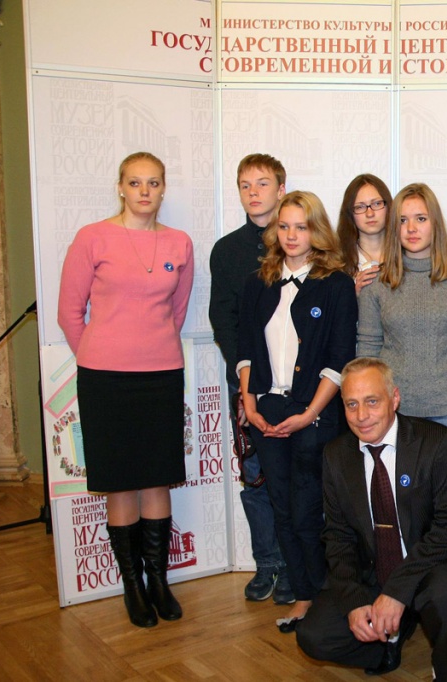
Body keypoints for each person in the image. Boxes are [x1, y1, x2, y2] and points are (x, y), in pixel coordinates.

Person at [57, 151, 194, 628]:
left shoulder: (179, 242)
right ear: (120, 187)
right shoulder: (92, 237)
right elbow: (69, 313)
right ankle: (132, 587)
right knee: (120, 482)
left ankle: (159, 582)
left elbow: (177, 311)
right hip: (106, 380)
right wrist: (101, 354)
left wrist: (150, 349)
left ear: (163, 189)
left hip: (161, 375)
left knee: (157, 478)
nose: (144, 191)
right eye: (135, 182)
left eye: (153, 183)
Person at [296, 357, 447, 682]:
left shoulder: (438, 442)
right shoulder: (336, 454)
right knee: (314, 636)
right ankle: (386, 644)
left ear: (394, 398)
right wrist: (355, 602)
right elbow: (338, 536)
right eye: (351, 404)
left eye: (372, 401)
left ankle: (445, 670)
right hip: (372, 571)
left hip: (430, 565)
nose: (361, 416)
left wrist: (397, 592)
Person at [236, 191, 357, 630]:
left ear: (316, 231)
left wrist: (308, 415)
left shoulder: (336, 284)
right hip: (267, 410)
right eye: (284, 226)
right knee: (283, 510)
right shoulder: (259, 282)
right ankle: (304, 596)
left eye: (301, 227)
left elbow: (340, 359)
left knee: (309, 513)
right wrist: (250, 404)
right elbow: (246, 349)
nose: (291, 235)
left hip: (315, 413)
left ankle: (326, 598)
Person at [357, 183, 447, 483]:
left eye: (421, 219)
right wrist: (369, 407)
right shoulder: (377, 283)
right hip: (397, 416)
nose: (411, 228)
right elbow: (367, 352)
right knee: (405, 506)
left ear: (435, 223)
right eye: (402, 220)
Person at [208, 153, 288, 604]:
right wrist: (246, 377)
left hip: (298, 385)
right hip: (248, 383)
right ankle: (267, 563)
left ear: (281, 188)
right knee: (254, 477)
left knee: (296, 478)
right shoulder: (227, 250)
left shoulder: (301, 239)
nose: (253, 192)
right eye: (245, 184)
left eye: (262, 183)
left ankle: (296, 565)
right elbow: (223, 319)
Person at [336, 173, 394, 295]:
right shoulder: (337, 262)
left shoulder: (406, 256)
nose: (370, 213)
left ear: (388, 206)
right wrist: (353, 294)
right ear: (350, 213)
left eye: (377, 204)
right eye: (360, 207)